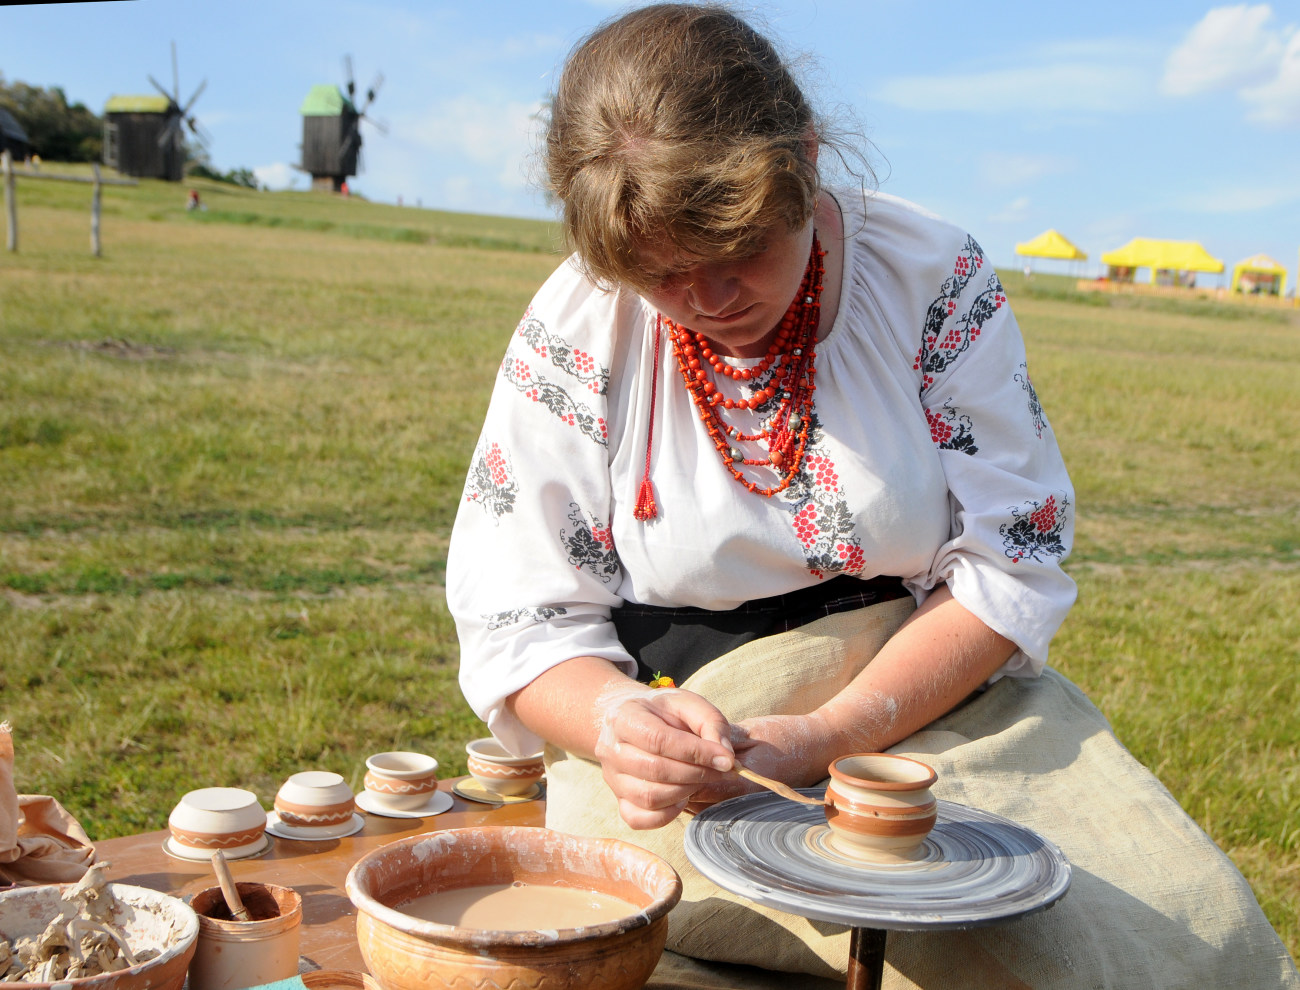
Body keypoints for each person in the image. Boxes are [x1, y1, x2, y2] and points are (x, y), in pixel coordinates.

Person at [447, 5, 1299, 987]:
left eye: (743, 254)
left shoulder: (927, 277)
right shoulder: (580, 327)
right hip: (694, 743)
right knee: (952, 954)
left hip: (940, 699)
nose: (710, 300)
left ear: (804, 159)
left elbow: (1005, 564)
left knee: (1188, 933)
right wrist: (613, 726)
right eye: (665, 274)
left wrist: (827, 737)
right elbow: (519, 611)